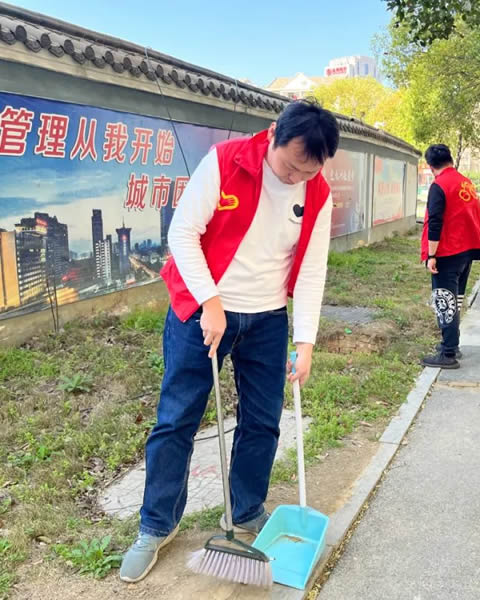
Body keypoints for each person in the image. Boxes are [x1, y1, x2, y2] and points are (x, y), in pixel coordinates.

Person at [119, 100, 340, 582]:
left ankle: (245, 510)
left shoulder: (317, 192)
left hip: (267, 318)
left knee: (263, 420)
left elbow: (312, 269)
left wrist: (305, 341)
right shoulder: (225, 161)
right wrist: (211, 301)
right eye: (289, 165)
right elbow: (183, 235)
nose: (295, 177)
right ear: (273, 137)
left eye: (308, 170)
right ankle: (155, 525)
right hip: (203, 309)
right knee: (178, 416)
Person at [420, 144, 480, 369]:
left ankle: (448, 353)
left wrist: (431, 255)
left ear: (431, 167)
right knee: (455, 298)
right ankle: (452, 344)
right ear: (450, 160)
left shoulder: (439, 186)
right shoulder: (465, 182)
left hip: (448, 252)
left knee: (444, 300)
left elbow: (435, 222)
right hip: (467, 250)